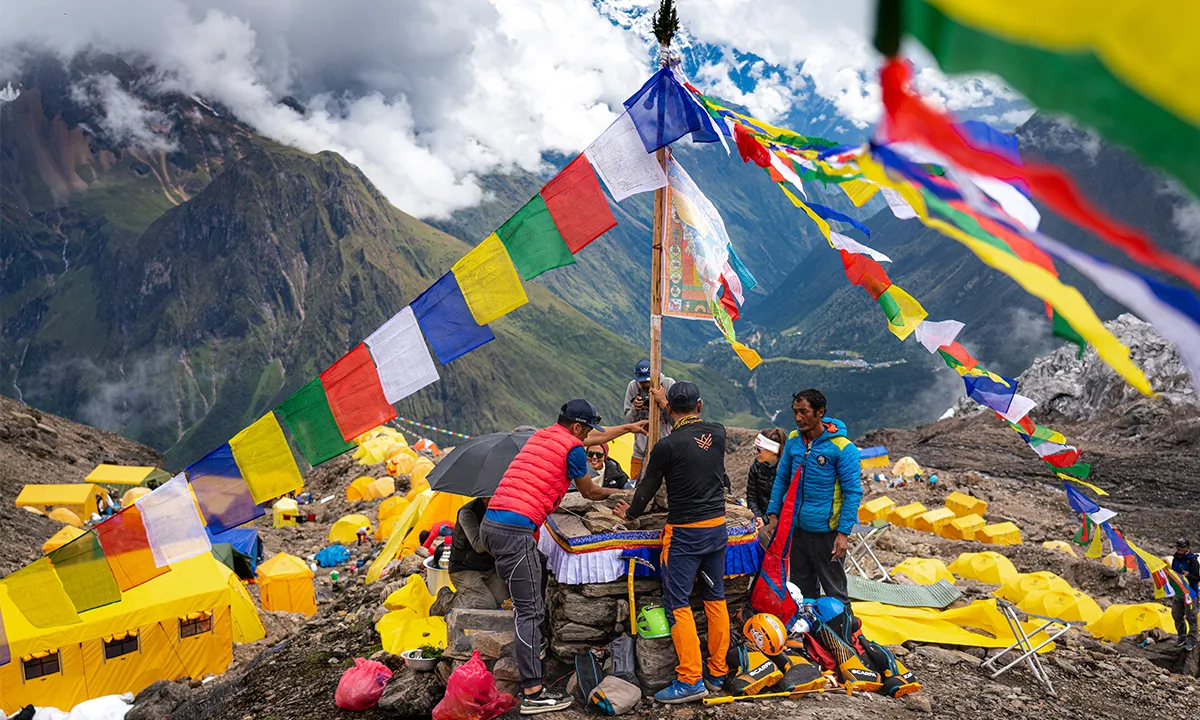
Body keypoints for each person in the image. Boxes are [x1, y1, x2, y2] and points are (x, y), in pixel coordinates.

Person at [480, 399, 647, 715]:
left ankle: (529, 659)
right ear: (577, 427)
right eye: (587, 430)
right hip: (515, 532)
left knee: (531, 591)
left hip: (493, 525)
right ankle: (533, 691)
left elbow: (592, 439)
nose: (590, 437)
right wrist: (628, 495)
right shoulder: (573, 449)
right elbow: (590, 493)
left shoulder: (543, 435)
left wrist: (628, 427)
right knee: (529, 612)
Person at [614, 381, 731, 704]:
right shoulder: (718, 434)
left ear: (672, 410)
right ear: (700, 405)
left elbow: (646, 489)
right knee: (714, 597)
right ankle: (718, 672)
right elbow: (691, 430)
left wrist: (630, 512)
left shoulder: (666, 446)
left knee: (677, 603)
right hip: (717, 528)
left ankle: (690, 678)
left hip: (685, 533)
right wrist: (666, 403)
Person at [763, 389, 862, 604]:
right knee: (800, 591)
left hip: (827, 534)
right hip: (797, 530)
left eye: (804, 412)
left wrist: (843, 534)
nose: (798, 418)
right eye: (795, 412)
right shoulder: (793, 440)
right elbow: (782, 479)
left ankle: (840, 634)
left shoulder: (843, 449)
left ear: (820, 413)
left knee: (835, 592)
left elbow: (852, 493)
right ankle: (807, 635)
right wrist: (773, 515)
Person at [448, 497, 510, 610]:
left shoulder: (501, 509)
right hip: (464, 568)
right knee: (485, 605)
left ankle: (472, 595)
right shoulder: (467, 513)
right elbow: (478, 545)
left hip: (489, 568)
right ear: (485, 498)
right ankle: (446, 600)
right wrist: (500, 530)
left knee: (503, 602)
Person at [624, 358, 675, 480]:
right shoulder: (633, 387)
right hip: (640, 453)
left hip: (665, 452)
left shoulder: (668, 385)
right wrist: (635, 409)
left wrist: (662, 402)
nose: (645, 385)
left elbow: (675, 420)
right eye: (642, 383)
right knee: (636, 487)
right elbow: (629, 422)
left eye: (648, 382)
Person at [745, 428, 786, 526]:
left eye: (759, 449)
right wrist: (758, 518)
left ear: (772, 451)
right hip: (761, 518)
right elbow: (751, 497)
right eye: (755, 448)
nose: (755, 452)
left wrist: (766, 520)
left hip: (779, 520)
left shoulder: (785, 472)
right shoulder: (755, 468)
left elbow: (784, 502)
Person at [1172, 538, 1199, 650]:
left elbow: (1198, 577)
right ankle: (1181, 636)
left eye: (1182, 547)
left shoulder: (1192, 561)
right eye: (1178, 546)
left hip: (1190, 593)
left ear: (1187, 548)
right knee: (1176, 615)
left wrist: (1188, 576)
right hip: (1178, 592)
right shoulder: (1175, 558)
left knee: (1191, 617)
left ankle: (1192, 640)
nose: (1179, 549)